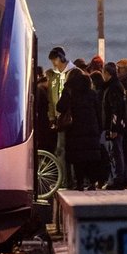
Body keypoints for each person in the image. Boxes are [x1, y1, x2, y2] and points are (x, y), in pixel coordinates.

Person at [55, 68, 103, 190]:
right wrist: (99, 127)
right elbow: (98, 112)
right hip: (92, 128)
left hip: (75, 129)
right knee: (91, 157)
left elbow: (60, 107)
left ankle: (80, 183)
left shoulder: (70, 91)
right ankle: (92, 183)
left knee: (78, 157)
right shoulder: (92, 93)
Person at [46, 46, 76, 187]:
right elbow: (51, 99)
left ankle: (65, 180)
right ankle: (65, 180)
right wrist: (52, 116)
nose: (53, 64)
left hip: (70, 118)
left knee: (64, 149)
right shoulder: (54, 75)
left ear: (59, 58)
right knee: (61, 149)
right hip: (60, 118)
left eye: (54, 60)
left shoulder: (75, 73)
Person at [101, 61, 127, 189]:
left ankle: (118, 179)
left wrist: (113, 128)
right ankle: (119, 177)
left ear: (107, 73)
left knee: (116, 152)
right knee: (117, 152)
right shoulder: (117, 86)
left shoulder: (113, 88)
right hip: (118, 125)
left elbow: (116, 109)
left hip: (115, 127)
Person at [34, 66, 56, 153]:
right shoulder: (45, 89)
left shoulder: (39, 89)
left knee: (44, 147)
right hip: (48, 123)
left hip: (42, 124)